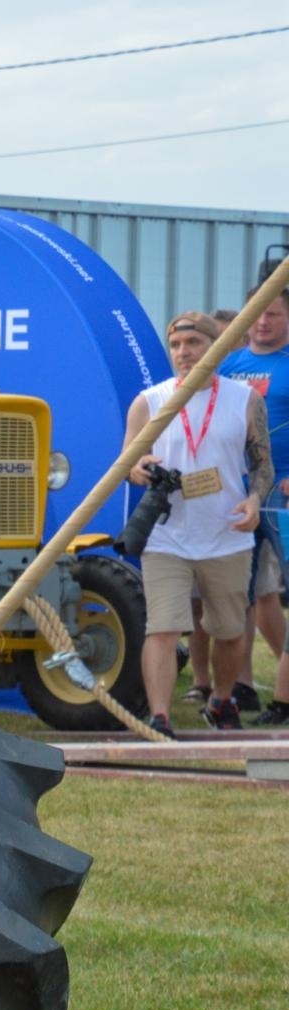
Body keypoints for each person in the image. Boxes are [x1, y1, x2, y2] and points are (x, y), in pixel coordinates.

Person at [127, 311, 272, 736]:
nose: (183, 353)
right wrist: (140, 467)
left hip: (227, 534)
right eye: (175, 345)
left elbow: (262, 465)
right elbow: (128, 462)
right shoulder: (150, 401)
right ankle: (160, 716)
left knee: (228, 631)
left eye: (193, 343)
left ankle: (221, 699)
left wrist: (254, 499)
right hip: (167, 536)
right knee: (163, 629)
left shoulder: (245, 400)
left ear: (216, 347)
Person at [218, 284, 289, 724]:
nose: (262, 322)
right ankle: (240, 688)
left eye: (274, 315)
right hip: (239, 498)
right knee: (235, 599)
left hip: (281, 499)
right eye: (256, 313)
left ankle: (283, 700)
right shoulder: (229, 362)